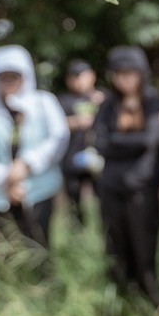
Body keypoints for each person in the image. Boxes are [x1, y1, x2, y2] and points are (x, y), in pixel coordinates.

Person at [0, 44, 68, 250]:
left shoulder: (44, 102)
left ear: (26, 76)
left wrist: (26, 164)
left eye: (15, 75)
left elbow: (58, 137)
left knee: (38, 247)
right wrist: (5, 178)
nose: (9, 81)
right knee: (3, 250)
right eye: (4, 76)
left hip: (39, 190)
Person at [92, 45, 159, 306]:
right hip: (111, 190)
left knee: (144, 248)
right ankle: (119, 302)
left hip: (142, 192)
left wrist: (118, 140)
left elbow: (150, 140)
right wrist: (129, 140)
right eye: (119, 74)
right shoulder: (108, 104)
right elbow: (99, 143)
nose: (125, 79)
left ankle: (150, 303)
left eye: (130, 73)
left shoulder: (151, 100)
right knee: (116, 246)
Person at [56, 58, 105, 223]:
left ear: (92, 76)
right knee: (74, 197)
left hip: (99, 154)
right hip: (72, 156)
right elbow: (54, 124)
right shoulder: (63, 100)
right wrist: (77, 121)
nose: (78, 81)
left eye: (82, 76)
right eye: (74, 77)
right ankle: (78, 231)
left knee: (104, 195)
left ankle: (104, 228)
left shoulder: (103, 97)